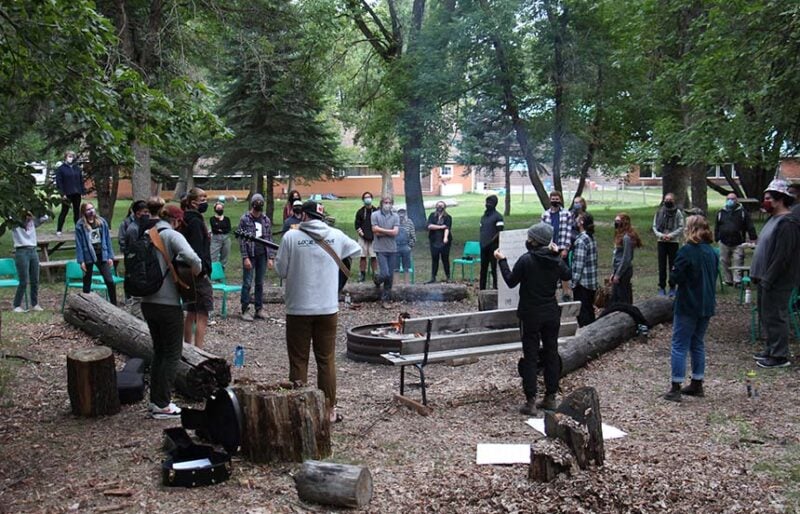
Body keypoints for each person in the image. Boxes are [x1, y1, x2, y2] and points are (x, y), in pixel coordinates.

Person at [275, 200, 361, 424]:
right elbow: (356, 249)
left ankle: (299, 410)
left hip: (298, 308)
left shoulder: (290, 238)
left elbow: (281, 271)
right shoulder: (336, 235)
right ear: (321, 216)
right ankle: (330, 409)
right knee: (326, 360)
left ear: (303, 215)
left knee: (299, 360)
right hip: (327, 307)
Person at [494, 223, 571, 415]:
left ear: (534, 241)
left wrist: (502, 260)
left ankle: (530, 401)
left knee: (531, 356)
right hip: (551, 314)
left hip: (530, 314)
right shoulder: (554, 260)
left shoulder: (526, 260)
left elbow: (511, 281)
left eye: (530, 237)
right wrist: (558, 254)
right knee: (551, 354)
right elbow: (567, 274)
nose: (527, 240)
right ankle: (550, 397)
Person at [139, 196, 202, 418]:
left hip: (147, 301)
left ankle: (156, 401)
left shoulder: (147, 234)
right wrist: (192, 272)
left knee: (159, 351)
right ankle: (163, 404)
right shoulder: (172, 236)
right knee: (173, 353)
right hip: (167, 303)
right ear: (176, 221)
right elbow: (194, 259)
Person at [664, 215, 718, 402]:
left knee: (679, 344)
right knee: (697, 343)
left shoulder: (687, 251)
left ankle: (675, 386)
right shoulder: (712, 252)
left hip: (688, 303)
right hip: (707, 303)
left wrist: (674, 276)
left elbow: (675, 277)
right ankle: (697, 381)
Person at [750, 179, 800, 369]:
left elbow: (782, 256)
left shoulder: (788, 223)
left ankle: (780, 356)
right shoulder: (773, 219)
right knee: (766, 314)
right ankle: (771, 349)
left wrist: (769, 278)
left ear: (780, 200)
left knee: (776, 315)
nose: (766, 201)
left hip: (777, 280)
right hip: (764, 278)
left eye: (769, 198)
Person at [180, 188, 214, 349]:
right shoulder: (194, 222)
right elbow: (196, 250)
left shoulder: (186, 219)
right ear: (193, 202)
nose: (205, 201)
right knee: (202, 313)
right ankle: (198, 350)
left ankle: (187, 347)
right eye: (202, 198)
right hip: (196, 273)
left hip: (187, 272)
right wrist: (202, 272)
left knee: (191, 311)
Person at [238, 194, 275, 321]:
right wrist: (245, 257)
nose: (258, 207)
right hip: (250, 254)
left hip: (262, 254)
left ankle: (259, 309)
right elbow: (242, 240)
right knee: (247, 282)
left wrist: (270, 257)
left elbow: (269, 238)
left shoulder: (266, 220)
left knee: (260, 283)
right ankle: (244, 309)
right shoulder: (245, 219)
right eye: (256, 204)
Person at [74, 202, 117, 306]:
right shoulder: (80, 225)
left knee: (109, 280)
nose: (91, 211)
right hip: (88, 254)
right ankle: (85, 305)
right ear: (84, 212)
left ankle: (114, 304)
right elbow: (78, 244)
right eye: (88, 209)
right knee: (87, 282)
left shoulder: (102, 222)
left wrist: (110, 256)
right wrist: (81, 261)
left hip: (101, 254)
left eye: (92, 208)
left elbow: (107, 239)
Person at [714, 193, 757, 287]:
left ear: (737, 200)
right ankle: (728, 280)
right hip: (724, 241)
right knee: (724, 261)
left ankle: (737, 281)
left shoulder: (742, 212)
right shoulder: (721, 212)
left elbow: (750, 226)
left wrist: (753, 238)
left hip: (738, 242)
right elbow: (717, 226)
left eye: (733, 199)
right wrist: (716, 237)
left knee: (738, 260)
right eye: (728, 199)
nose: (730, 201)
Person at [11, 210, 48, 312]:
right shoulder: (15, 223)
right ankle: (17, 305)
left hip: (33, 250)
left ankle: (35, 303)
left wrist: (34, 213)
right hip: (21, 251)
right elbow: (9, 216)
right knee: (23, 280)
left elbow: (45, 216)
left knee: (35, 279)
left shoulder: (32, 221)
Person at [541, 191, 573, 299]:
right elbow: (543, 232)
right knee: (550, 272)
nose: (555, 201)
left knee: (564, 271)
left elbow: (569, 232)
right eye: (553, 199)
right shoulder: (545, 215)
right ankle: (551, 294)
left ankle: (566, 293)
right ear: (550, 200)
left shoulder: (567, 214)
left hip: (562, 246)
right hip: (549, 247)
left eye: (557, 199)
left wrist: (566, 249)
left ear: (560, 200)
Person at [652, 193, 684, 297]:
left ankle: (672, 286)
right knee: (662, 265)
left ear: (673, 201)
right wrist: (661, 235)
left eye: (670, 199)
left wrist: (671, 235)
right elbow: (654, 226)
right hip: (661, 242)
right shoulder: (659, 212)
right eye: (666, 199)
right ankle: (661, 287)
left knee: (673, 265)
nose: (668, 201)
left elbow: (680, 226)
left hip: (673, 242)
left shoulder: (678, 212)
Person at [570, 213, 598, 327]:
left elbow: (579, 264)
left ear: (581, 222)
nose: (575, 220)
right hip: (592, 282)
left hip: (583, 283)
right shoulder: (591, 237)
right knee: (589, 310)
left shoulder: (581, 240)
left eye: (577, 218)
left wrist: (574, 282)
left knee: (583, 313)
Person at [371, 196, 399, 306]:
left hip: (392, 249)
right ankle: (377, 279)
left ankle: (386, 299)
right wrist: (389, 232)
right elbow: (374, 230)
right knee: (385, 273)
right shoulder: (375, 215)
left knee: (390, 276)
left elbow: (395, 232)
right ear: (382, 203)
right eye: (385, 202)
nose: (387, 204)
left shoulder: (395, 216)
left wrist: (381, 231)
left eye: (389, 203)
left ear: (392, 204)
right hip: (380, 248)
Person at [610, 213, 642, 306]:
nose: (616, 223)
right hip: (618, 269)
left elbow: (626, 258)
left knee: (623, 297)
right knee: (616, 297)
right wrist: (614, 272)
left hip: (624, 271)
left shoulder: (626, 238)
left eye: (618, 221)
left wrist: (618, 274)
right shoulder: (619, 235)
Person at [55, 150, 85, 235]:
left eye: (72, 156)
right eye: (69, 156)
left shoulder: (77, 168)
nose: (71, 158)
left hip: (76, 193)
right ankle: (59, 229)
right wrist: (62, 193)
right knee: (64, 211)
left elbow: (80, 180)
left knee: (77, 211)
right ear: (65, 157)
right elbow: (59, 182)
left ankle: (78, 228)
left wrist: (82, 191)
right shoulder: (61, 169)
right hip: (67, 193)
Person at [479, 195, 504, 290]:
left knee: (494, 269)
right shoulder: (483, 217)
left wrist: (490, 242)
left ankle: (496, 289)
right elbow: (482, 231)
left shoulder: (498, 217)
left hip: (493, 247)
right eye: (487, 202)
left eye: (490, 203)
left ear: (495, 204)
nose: (488, 204)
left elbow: (500, 232)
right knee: (483, 269)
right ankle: (482, 289)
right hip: (483, 246)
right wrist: (482, 243)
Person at [427, 201, 453, 283]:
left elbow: (447, 228)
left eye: (441, 205)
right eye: (438, 205)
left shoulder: (448, 217)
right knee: (435, 259)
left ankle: (448, 277)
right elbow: (429, 226)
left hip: (444, 242)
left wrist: (445, 238)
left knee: (445, 259)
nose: (440, 207)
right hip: (434, 240)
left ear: (444, 207)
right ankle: (433, 277)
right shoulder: (432, 215)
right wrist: (441, 226)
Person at [354, 192, 378, 281]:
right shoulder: (360, 212)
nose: (367, 199)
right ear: (363, 200)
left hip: (374, 237)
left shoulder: (376, 211)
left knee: (373, 256)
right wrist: (363, 235)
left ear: (372, 198)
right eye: (365, 197)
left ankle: (375, 274)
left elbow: (379, 224)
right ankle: (362, 274)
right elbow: (357, 225)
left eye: (369, 197)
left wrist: (375, 234)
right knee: (362, 256)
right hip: (363, 237)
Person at [395, 208, 416, 285]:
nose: (401, 215)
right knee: (395, 268)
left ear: (406, 214)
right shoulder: (394, 222)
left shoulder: (409, 222)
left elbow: (413, 237)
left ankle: (407, 286)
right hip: (395, 247)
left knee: (406, 268)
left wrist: (409, 247)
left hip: (405, 247)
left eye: (403, 213)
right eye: (400, 213)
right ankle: (396, 286)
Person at [209, 200, 232, 267]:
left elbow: (228, 229)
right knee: (213, 256)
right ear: (215, 209)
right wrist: (221, 229)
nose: (220, 210)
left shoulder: (227, 219)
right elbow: (214, 229)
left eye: (221, 208)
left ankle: (222, 272)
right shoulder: (212, 219)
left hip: (226, 238)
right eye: (218, 208)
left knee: (224, 256)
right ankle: (214, 273)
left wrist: (220, 229)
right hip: (216, 239)